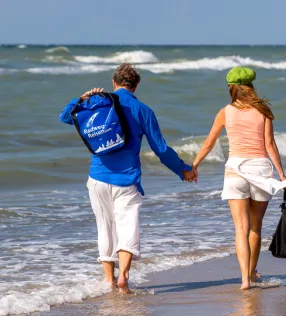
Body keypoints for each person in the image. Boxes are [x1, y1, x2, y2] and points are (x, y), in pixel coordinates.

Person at [59, 63, 196, 294]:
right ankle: (123, 277)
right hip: (127, 180)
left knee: (105, 228)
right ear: (136, 85)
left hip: (98, 179)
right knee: (127, 228)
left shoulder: (98, 103)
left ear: (114, 82)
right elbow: (160, 150)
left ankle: (109, 281)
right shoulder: (143, 110)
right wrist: (183, 170)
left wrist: (82, 98)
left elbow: (65, 117)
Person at [192, 66, 286, 290]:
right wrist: (281, 174)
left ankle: (244, 279)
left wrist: (194, 166)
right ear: (251, 86)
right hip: (261, 172)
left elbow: (209, 143)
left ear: (232, 88)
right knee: (255, 227)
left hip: (235, 171)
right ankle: (253, 273)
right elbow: (270, 145)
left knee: (240, 229)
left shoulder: (225, 111)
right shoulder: (263, 111)